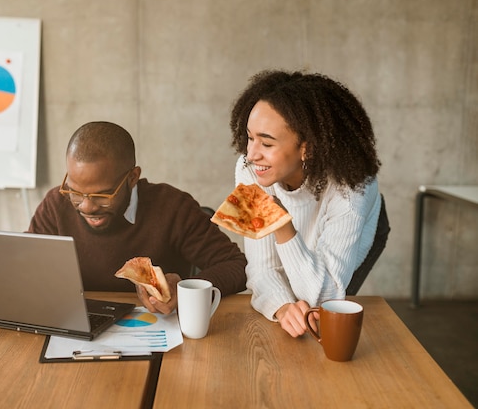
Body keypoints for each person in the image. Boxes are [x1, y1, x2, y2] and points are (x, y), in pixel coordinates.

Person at [28, 121, 247, 314]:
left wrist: (185, 289)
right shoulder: (56, 205)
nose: (87, 206)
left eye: (102, 195)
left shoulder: (172, 208)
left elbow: (237, 266)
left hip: (157, 333)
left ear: (132, 178)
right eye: (74, 191)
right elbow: (24, 269)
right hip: (78, 327)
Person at [229, 69, 382, 338]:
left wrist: (283, 227)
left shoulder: (353, 188)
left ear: (307, 148)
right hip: (295, 238)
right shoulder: (248, 171)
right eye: (250, 137)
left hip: (355, 230)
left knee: (323, 321)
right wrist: (282, 308)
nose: (251, 154)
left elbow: (325, 294)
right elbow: (261, 268)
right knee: (292, 317)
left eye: (266, 142)